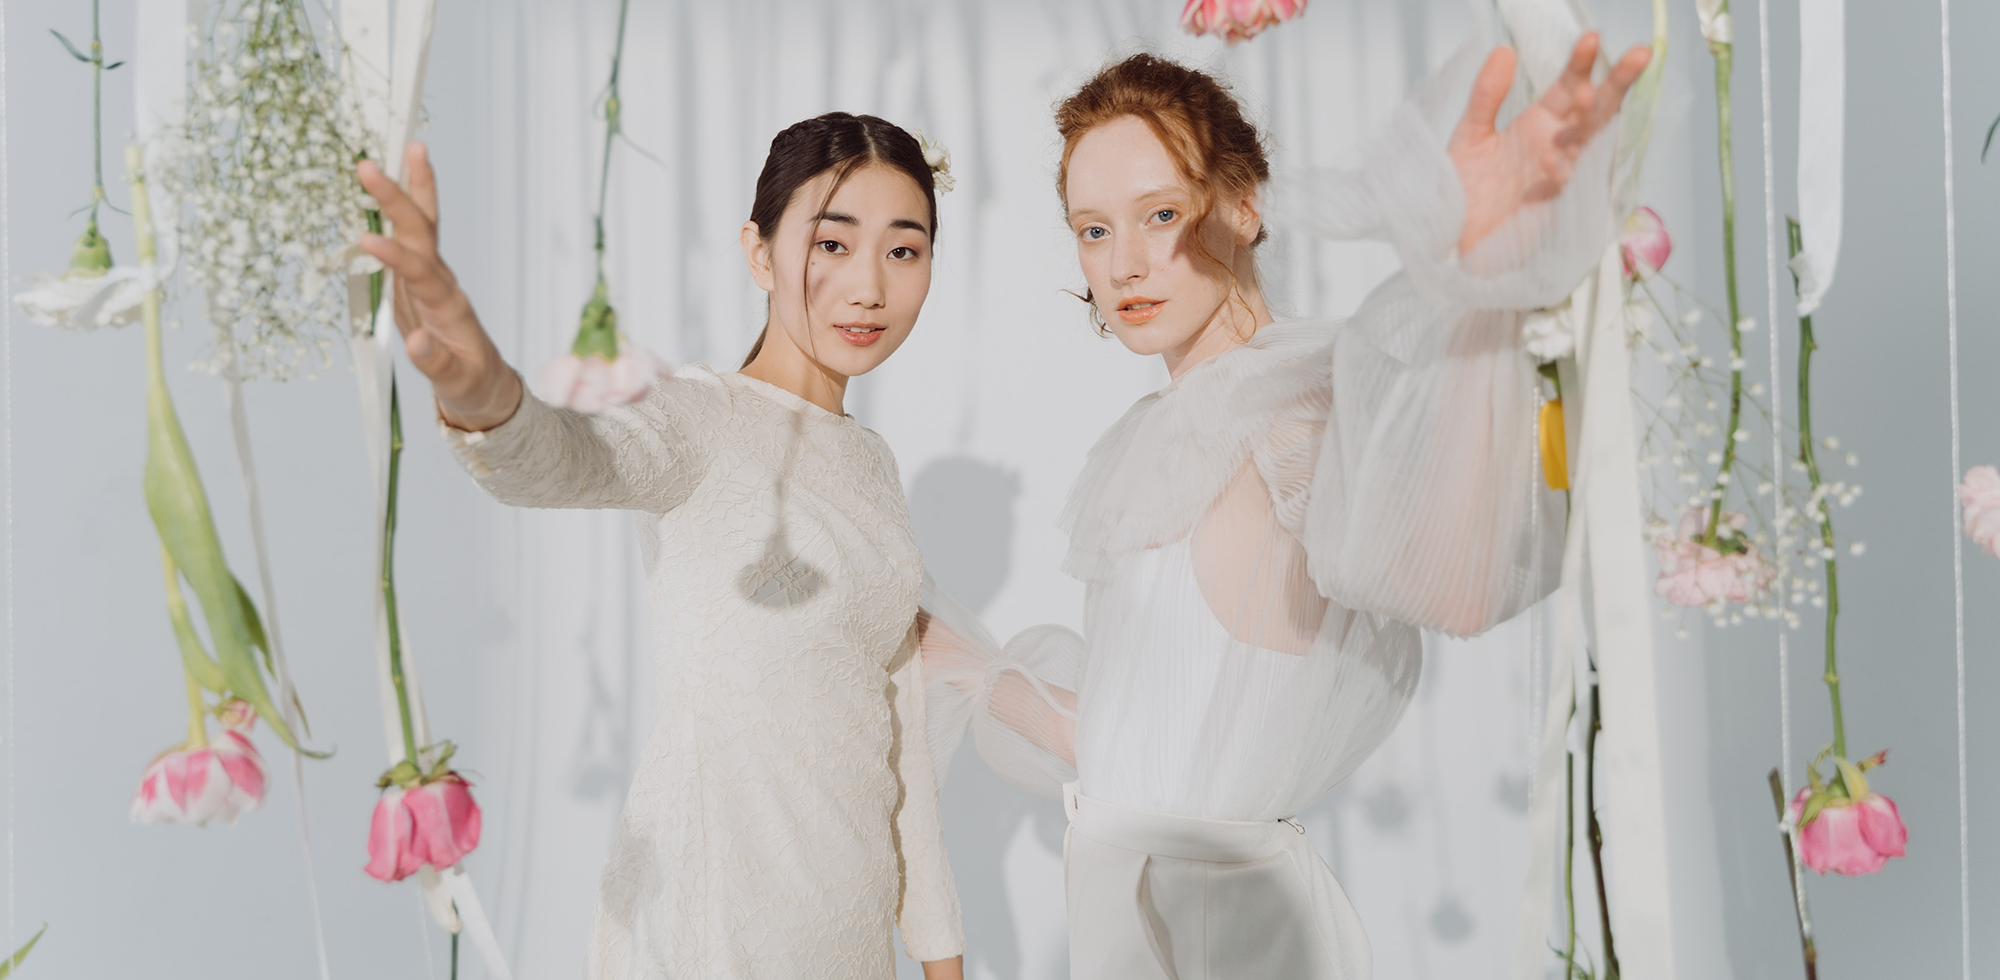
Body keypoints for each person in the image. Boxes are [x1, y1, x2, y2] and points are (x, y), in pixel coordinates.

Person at [919, 30, 1650, 980]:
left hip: (1233, 946)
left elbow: (1454, 570)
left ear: (1244, 207)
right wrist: (949, 653)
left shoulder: (1304, 403)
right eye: (1095, 229)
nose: (1125, 263)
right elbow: (1134, 756)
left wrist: (1483, 279)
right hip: (1130, 937)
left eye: (1162, 214)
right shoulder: (1167, 431)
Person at [355, 113, 967, 980]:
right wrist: (483, 391)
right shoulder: (701, 414)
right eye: (831, 244)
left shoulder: (872, 464)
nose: (867, 285)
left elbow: (894, 721)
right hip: (711, 923)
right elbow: (570, 455)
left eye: (904, 251)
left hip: (847, 929)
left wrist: (940, 954)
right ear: (759, 252)